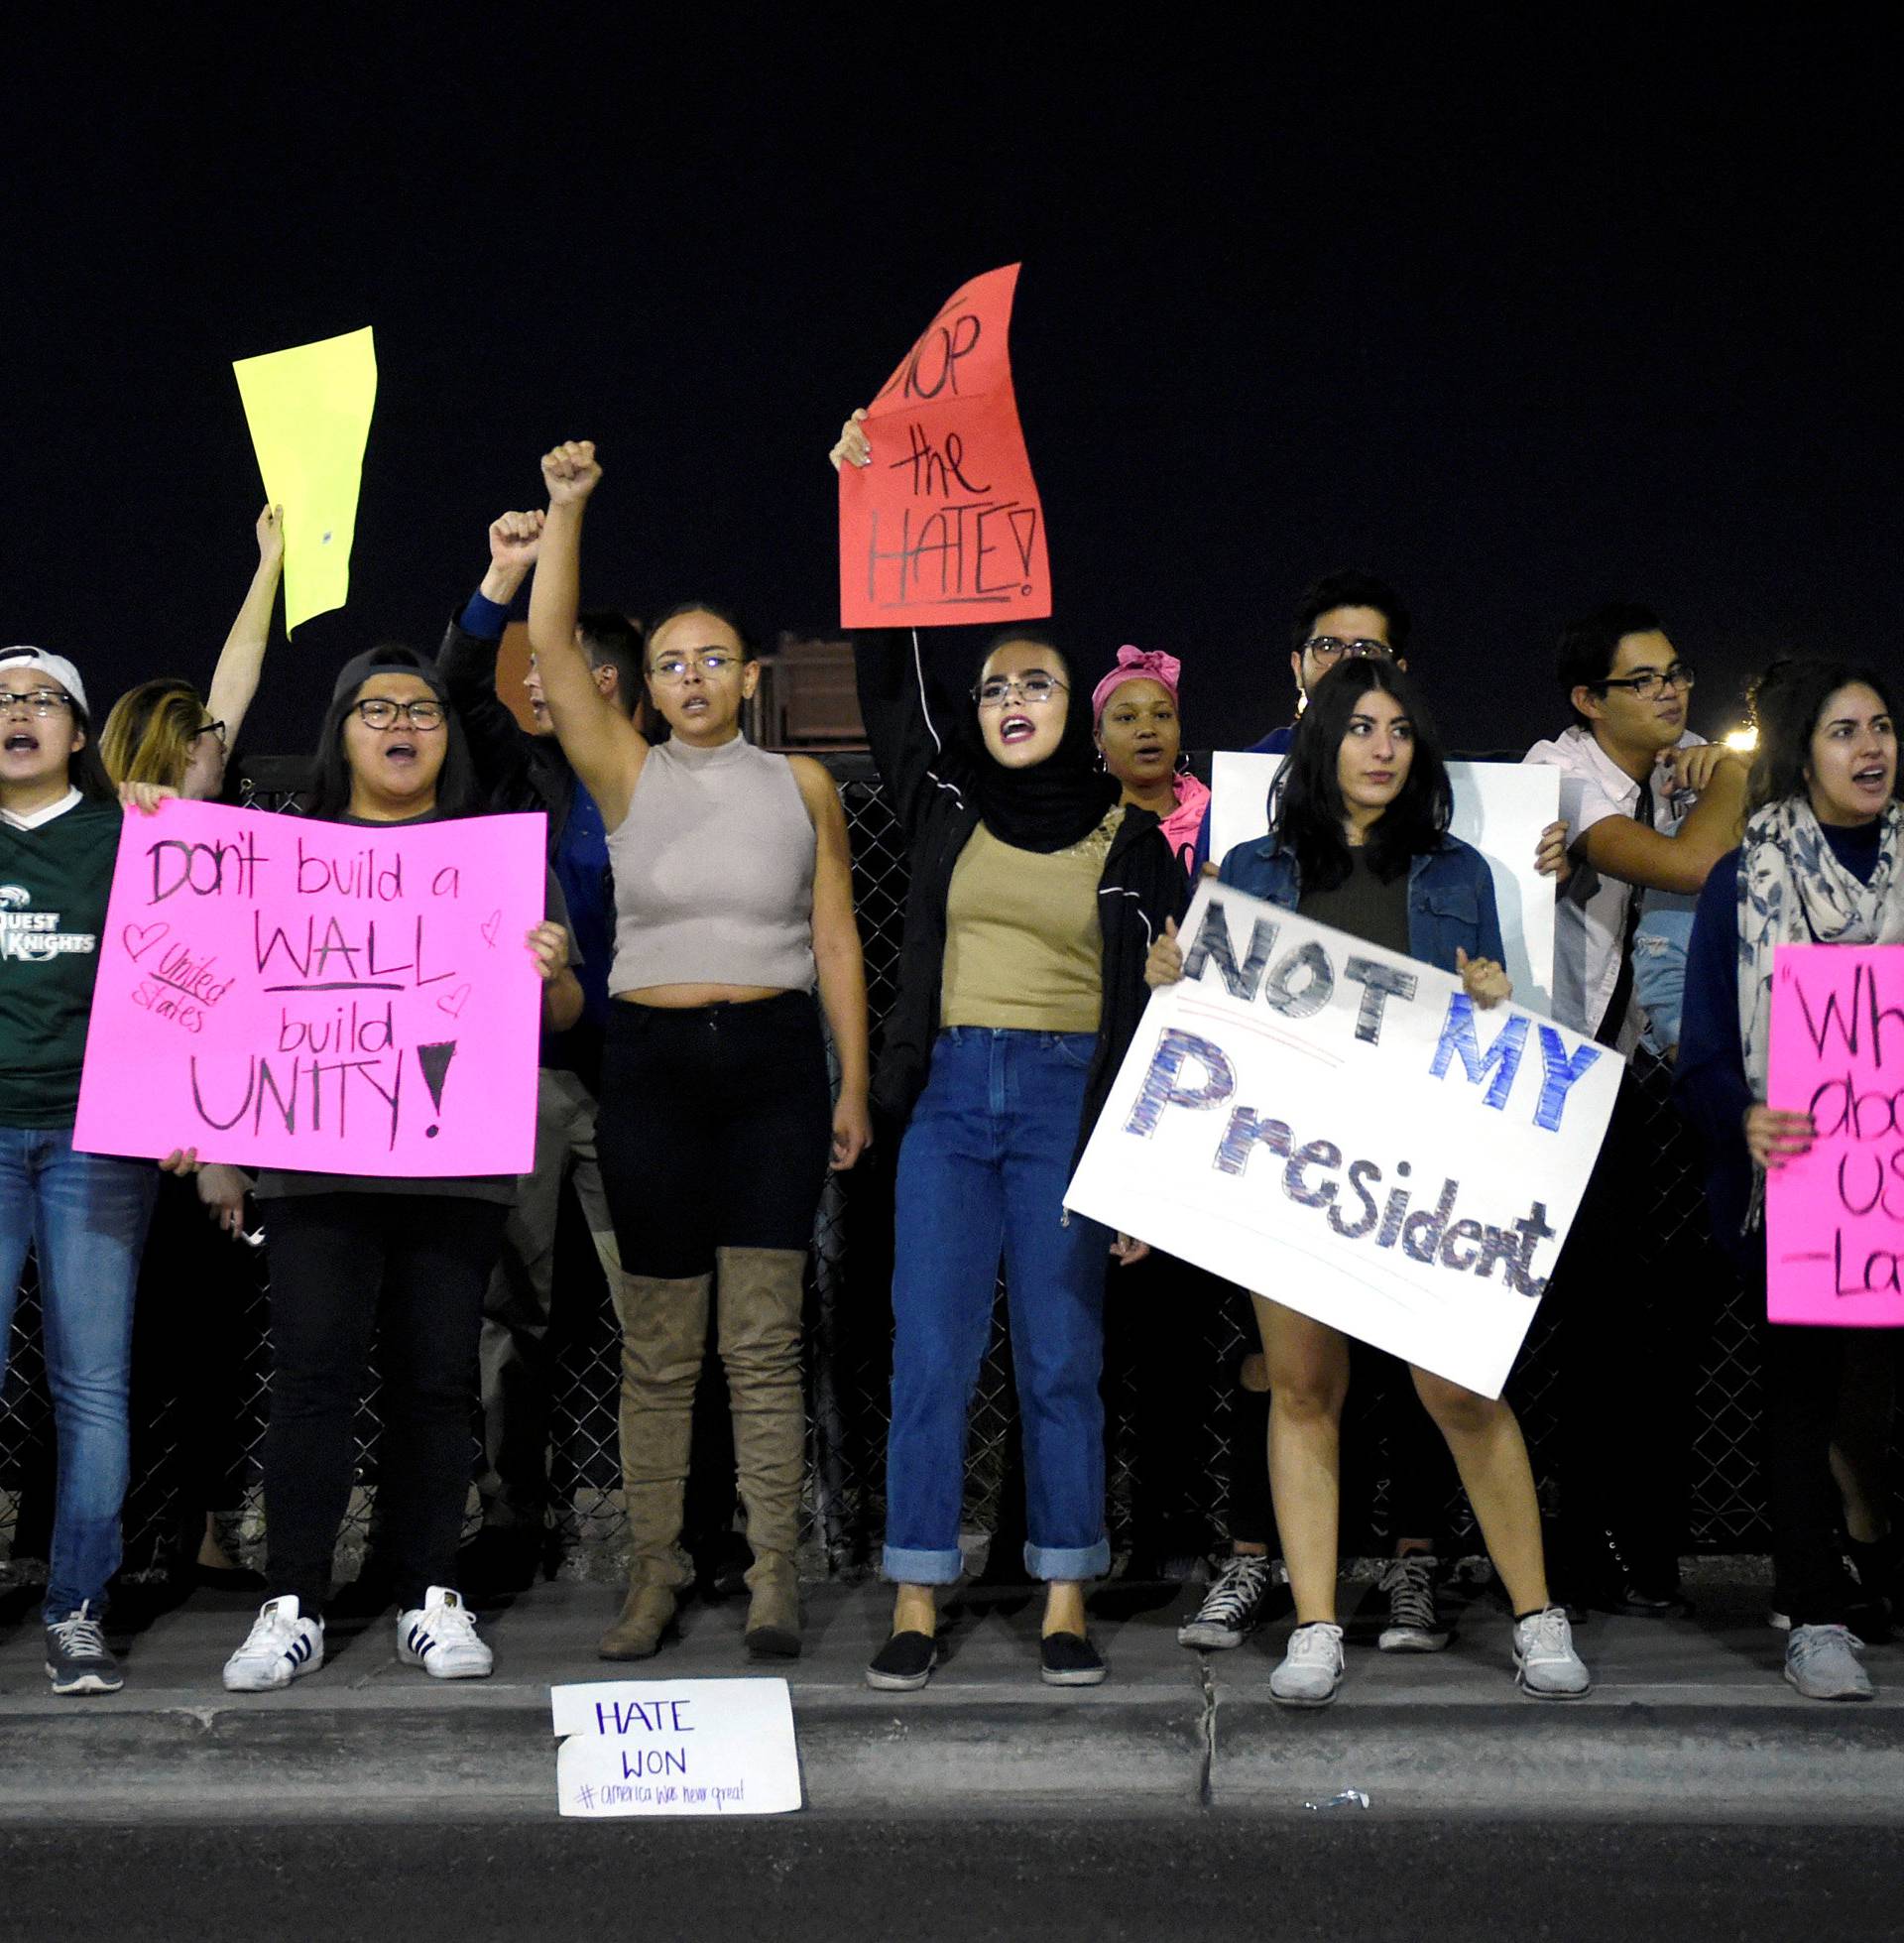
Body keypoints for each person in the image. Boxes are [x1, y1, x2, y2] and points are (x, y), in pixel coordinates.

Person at [1148, 658, 1591, 1705]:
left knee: (1460, 1389)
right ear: (1321, 746)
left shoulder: (1458, 872)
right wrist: (1174, 978)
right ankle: (1314, 1625)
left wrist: (1492, 997)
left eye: (1398, 728)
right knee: (1304, 1388)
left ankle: (1537, 1614)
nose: (1382, 747)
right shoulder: (1253, 868)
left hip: (1424, 1165)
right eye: (1359, 728)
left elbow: (1488, 1039)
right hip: (1295, 1163)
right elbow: (1214, 1015)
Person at [832, 413, 1188, 1691]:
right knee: (928, 1354)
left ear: (1072, 707)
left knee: (1060, 1358)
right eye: (993, 687)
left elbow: (1164, 1016)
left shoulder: (1131, 839)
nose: (1012, 700)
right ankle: (918, 1596)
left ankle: (1063, 1596)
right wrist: (868, 511)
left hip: (1063, 1107)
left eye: (1036, 682)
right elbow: (885, 683)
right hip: (947, 1104)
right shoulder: (941, 806)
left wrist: (1141, 1161)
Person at [529, 439, 871, 1664]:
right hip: (657, 1072)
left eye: (711, 659)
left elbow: (836, 937)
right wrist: (569, 509)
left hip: (776, 1063)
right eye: (669, 664)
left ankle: (775, 1570)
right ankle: (653, 1574)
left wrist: (853, 1083)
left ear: (749, 675)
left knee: (765, 1339)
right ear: (648, 688)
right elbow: (553, 647)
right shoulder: (621, 772)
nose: (689, 677)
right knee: (663, 1343)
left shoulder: (806, 785)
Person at [218, 646, 582, 1691]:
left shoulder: (496, 856)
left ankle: (430, 1591)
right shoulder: (284, 854)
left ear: (446, 735)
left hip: (450, 1164)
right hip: (312, 1163)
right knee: (312, 1381)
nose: (402, 722)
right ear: (342, 733)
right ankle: (293, 1602)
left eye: (422, 708)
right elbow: (236, 1015)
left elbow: (559, 1019)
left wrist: (551, 972)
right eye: (375, 706)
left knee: (434, 1383)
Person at [436, 508, 691, 1602]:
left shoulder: (674, 784)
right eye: (536, 671)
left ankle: (671, 1527)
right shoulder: (517, 773)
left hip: (643, 1076)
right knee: (516, 1313)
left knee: (660, 1311)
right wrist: (500, 577)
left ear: (620, 686)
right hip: (532, 1080)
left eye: (571, 671)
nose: (543, 687)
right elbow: (455, 681)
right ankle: (510, 1516)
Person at [1675, 659, 1901, 1699]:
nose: (1871, 748)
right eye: (1845, 731)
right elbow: (1707, 1052)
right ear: (1803, 755)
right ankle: (1815, 1617)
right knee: (1803, 1399)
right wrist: (1747, 1118)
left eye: (1884, 728)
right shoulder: (1746, 876)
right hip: (1802, 1183)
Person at [1524, 602, 1748, 1613]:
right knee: (1585, 1323)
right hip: (1570, 1077)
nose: (1671, 693)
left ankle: (1650, 1544)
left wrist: (1725, 767)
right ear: (1588, 700)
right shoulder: (1557, 771)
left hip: (1675, 1083)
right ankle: (1572, 1546)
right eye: (1643, 680)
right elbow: (1696, 865)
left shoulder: (1692, 761)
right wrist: (1737, 776)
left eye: (1676, 674)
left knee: (1679, 1320)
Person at [97, 505, 285, 1594]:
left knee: (217, 1339)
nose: (221, 738)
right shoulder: (123, 843)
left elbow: (240, 671)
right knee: (115, 1348)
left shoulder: (224, 844)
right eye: (202, 734)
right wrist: (178, 1131)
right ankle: (103, 1536)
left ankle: (204, 1530)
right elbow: (129, 1012)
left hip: (212, 1133)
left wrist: (264, 562)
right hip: (122, 1141)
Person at [0, 647, 165, 1693]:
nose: (15, 711)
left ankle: (76, 1609)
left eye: (38, 699)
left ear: (77, 730)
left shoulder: (130, 838)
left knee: (91, 1384)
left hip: (95, 1137)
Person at [101, 504, 285, 810]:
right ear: (188, 747)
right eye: (214, 728)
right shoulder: (110, 828)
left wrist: (270, 563)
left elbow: (233, 683)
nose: (224, 744)